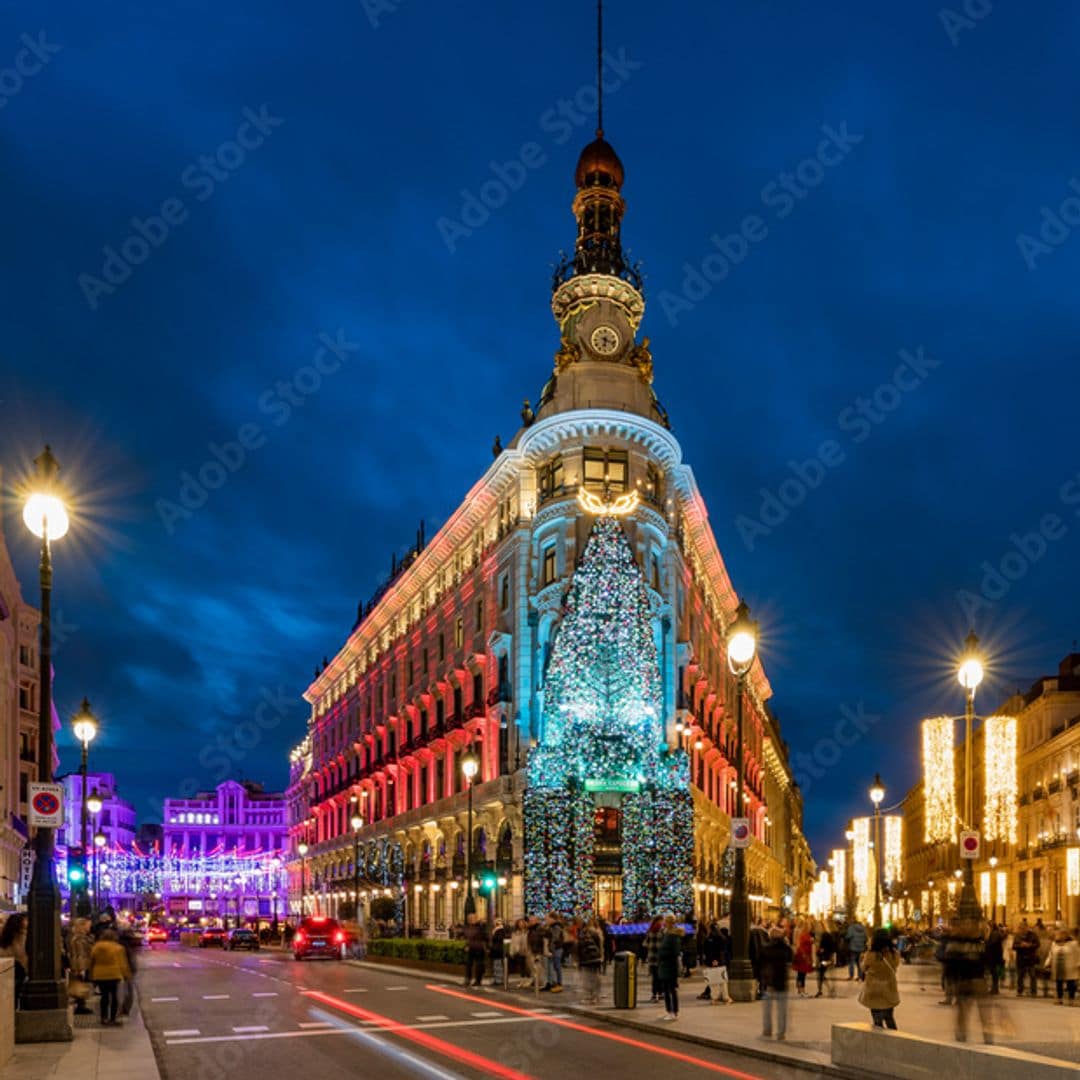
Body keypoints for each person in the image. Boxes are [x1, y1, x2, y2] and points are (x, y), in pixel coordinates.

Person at [944, 919, 993, 1044]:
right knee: (981, 1012)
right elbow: (987, 960)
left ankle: (963, 1036)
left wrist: (952, 981)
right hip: (975, 980)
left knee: (967, 1012)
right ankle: (987, 1037)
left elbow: (950, 962)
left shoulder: (959, 943)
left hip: (969, 980)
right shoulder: (979, 943)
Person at [859, 928, 900, 1030]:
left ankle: (879, 1038)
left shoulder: (871, 954)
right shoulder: (894, 953)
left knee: (877, 1021)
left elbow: (863, 968)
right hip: (889, 989)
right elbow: (896, 965)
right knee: (889, 1018)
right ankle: (895, 1037)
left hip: (874, 990)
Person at [89, 929, 131, 1026]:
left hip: (99, 975)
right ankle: (113, 1018)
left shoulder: (96, 947)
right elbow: (123, 963)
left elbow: (91, 962)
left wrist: (91, 975)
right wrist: (126, 974)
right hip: (114, 974)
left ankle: (103, 1018)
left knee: (104, 996)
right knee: (114, 997)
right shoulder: (118, 948)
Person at [759, 925, 793, 1041]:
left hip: (768, 983)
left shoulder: (766, 949)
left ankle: (767, 1030)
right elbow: (790, 963)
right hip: (782, 983)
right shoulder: (786, 949)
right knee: (782, 1011)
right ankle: (781, 1034)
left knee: (767, 1010)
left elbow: (761, 965)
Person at [656, 914, 683, 1021]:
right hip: (665, 965)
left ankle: (674, 1012)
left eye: (665, 921)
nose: (664, 923)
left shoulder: (673, 936)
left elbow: (675, 952)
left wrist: (663, 954)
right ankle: (668, 1010)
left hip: (670, 966)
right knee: (666, 990)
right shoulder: (666, 933)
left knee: (671, 989)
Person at [1045, 927, 1080, 1005]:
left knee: (1071, 984)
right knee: (1059, 983)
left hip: (1070, 967)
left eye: (1062, 934)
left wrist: (1078, 963)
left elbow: (1078, 953)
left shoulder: (1073, 943)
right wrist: (1047, 963)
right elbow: (1051, 954)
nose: (1060, 936)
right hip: (1057, 967)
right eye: (1059, 934)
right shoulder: (1054, 944)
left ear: (1066, 935)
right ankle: (1059, 999)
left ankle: (1071, 1000)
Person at [68, 917, 95, 1015]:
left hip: (84, 964)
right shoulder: (78, 939)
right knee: (80, 985)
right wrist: (80, 968)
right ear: (82, 926)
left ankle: (81, 1005)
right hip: (81, 965)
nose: (89, 927)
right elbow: (79, 954)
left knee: (82, 984)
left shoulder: (83, 938)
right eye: (88, 925)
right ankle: (80, 1006)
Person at [0, 913, 28, 1006]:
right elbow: (21, 953)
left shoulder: (5, 934)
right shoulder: (22, 936)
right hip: (18, 967)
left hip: (6, 967)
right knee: (15, 991)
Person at [578, 917, 604, 1005]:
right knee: (594, 977)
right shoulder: (596, 932)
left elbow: (580, 947)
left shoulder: (584, 933)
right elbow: (600, 945)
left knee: (588, 978)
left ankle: (591, 996)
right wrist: (601, 956)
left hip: (587, 958)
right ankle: (595, 996)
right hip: (594, 958)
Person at [1012, 920, 1039, 997]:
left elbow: (1037, 944)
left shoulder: (1033, 935)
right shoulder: (1017, 935)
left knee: (1032, 976)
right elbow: (1014, 946)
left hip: (1031, 958)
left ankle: (1033, 992)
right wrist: (1021, 946)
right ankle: (1020, 991)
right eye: (1020, 928)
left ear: (1027, 927)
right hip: (1021, 959)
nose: (1022, 929)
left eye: (1023, 928)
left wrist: (1030, 945)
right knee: (1020, 976)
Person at [462, 913, 489, 988]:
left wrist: (487, 947)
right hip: (470, 948)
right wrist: (466, 946)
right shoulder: (466, 927)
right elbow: (467, 938)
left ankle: (478, 981)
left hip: (479, 948)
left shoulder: (481, 927)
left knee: (479, 965)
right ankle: (468, 979)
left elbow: (486, 937)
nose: (472, 920)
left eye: (473, 918)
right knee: (468, 964)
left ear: (476, 919)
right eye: (470, 919)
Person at [643, 915, 664, 1003]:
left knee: (655, 977)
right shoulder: (662, 930)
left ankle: (654, 994)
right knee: (660, 976)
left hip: (652, 956)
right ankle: (660, 993)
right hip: (660, 957)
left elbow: (645, 944)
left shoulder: (650, 930)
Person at [543, 913, 564, 993]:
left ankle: (558, 983)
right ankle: (550, 982)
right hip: (552, 949)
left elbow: (555, 939)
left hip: (556, 949)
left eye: (547, 918)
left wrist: (550, 950)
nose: (546, 920)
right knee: (549, 967)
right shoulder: (550, 927)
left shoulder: (556, 927)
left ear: (552, 919)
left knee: (556, 966)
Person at [815, 921, 837, 998]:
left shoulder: (825, 935)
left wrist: (820, 951)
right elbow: (832, 947)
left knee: (821, 974)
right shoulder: (828, 935)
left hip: (824, 958)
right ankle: (826, 990)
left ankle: (826, 990)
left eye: (818, 927)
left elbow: (823, 948)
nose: (817, 928)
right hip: (827, 957)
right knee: (822, 974)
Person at [792, 923, 814, 997]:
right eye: (810, 927)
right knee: (802, 974)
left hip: (804, 955)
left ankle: (800, 989)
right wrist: (804, 955)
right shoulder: (804, 935)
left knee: (800, 974)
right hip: (803, 956)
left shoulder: (806, 934)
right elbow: (801, 945)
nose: (811, 928)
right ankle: (802, 990)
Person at [984, 923, 1004, 995]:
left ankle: (995, 989)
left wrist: (985, 942)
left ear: (991, 927)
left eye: (988, 927)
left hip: (994, 957)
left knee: (994, 973)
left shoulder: (995, 934)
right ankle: (995, 989)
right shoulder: (994, 933)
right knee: (994, 973)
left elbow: (992, 944)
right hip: (994, 957)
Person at [491, 918, 507, 987]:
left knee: (498, 965)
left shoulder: (500, 930)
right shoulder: (495, 930)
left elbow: (499, 939)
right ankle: (497, 979)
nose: (497, 923)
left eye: (499, 921)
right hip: (496, 950)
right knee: (496, 965)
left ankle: (499, 980)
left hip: (498, 950)